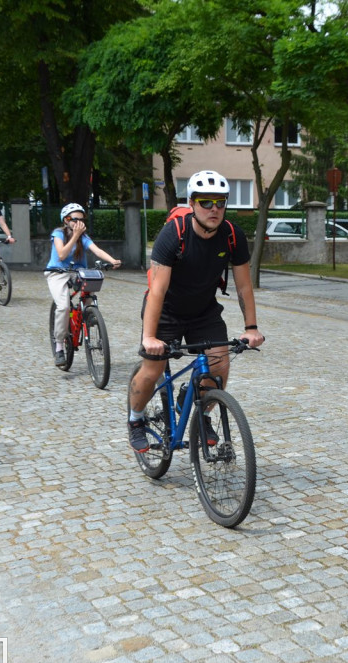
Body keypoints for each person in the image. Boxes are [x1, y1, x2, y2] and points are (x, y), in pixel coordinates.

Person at [127, 170, 265, 454]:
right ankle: (136, 420)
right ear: (192, 203)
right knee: (152, 369)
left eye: (220, 202)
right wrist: (149, 337)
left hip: (204, 311)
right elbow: (157, 291)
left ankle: (198, 412)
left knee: (219, 365)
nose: (214, 209)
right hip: (166, 311)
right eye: (205, 202)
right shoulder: (173, 235)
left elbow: (244, 288)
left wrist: (251, 327)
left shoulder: (232, 236)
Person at [46, 203, 122, 366]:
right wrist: (75, 235)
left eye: (82, 220)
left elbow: (97, 250)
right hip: (57, 272)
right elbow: (61, 254)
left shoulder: (83, 237)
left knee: (90, 292)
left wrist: (111, 260)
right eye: (75, 220)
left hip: (77, 272)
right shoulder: (58, 233)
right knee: (64, 307)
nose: (79, 223)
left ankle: (89, 315)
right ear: (66, 220)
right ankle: (59, 346)